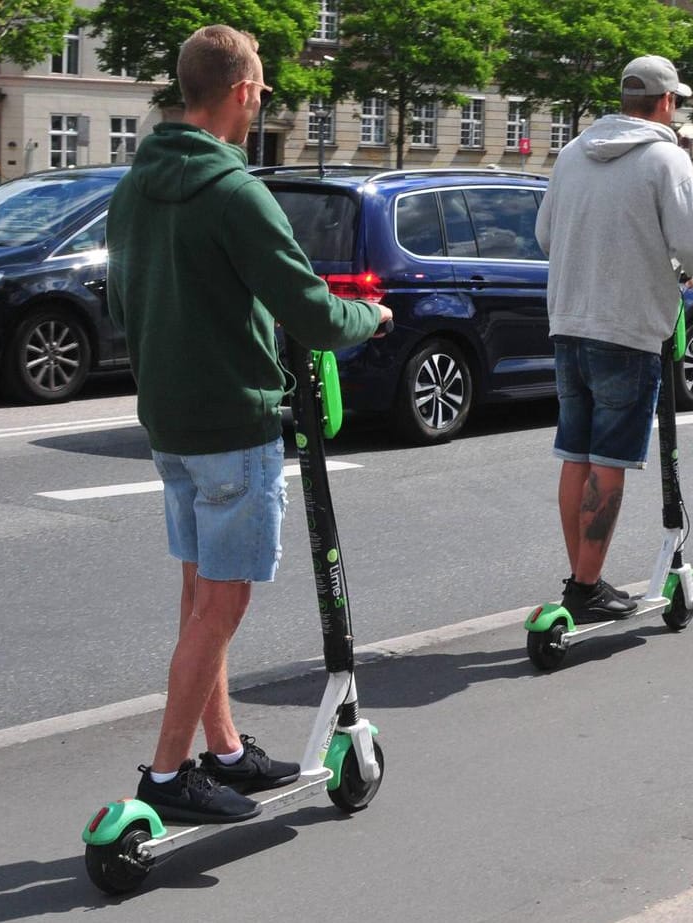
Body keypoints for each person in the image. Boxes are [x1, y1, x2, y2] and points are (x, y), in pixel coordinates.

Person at [106, 24, 392, 824]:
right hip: (234, 419)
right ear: (238, 92)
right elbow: (311, 312)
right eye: (261, 85)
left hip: (168, 419)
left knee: (200, 589)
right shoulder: (235, 192)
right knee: (223, 602)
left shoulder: (133, 186)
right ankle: (167, 776)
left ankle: (224, 750)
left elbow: (120, 302)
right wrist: (368, 316)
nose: (264, 96)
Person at [534, 55, 693, 624]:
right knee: (610, 460)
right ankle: (588, 586)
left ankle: (581, 580)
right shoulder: (665, 158)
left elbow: (546, 234)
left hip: (568, 323)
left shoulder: (571, 155)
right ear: (667, 102)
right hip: (628, 329)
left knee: (575, 454)